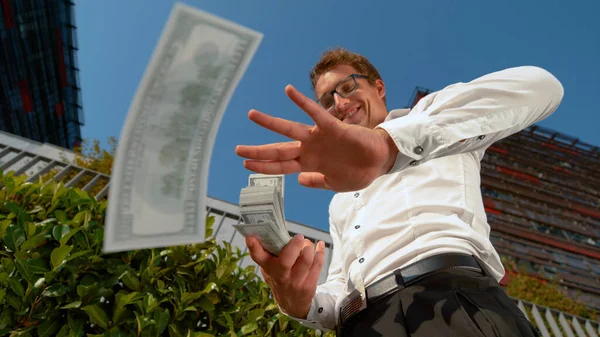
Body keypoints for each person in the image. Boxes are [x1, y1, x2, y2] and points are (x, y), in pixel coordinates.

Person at [235, 47, 563, 336]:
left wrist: (388, 144)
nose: (339, 103)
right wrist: (301, 301)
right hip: (361, 327)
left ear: (378, 87)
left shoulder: (432, 117)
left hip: (450, 304)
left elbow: (542, 87)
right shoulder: (339, 199)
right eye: (327, 100)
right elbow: (341, 283)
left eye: (347, 87)